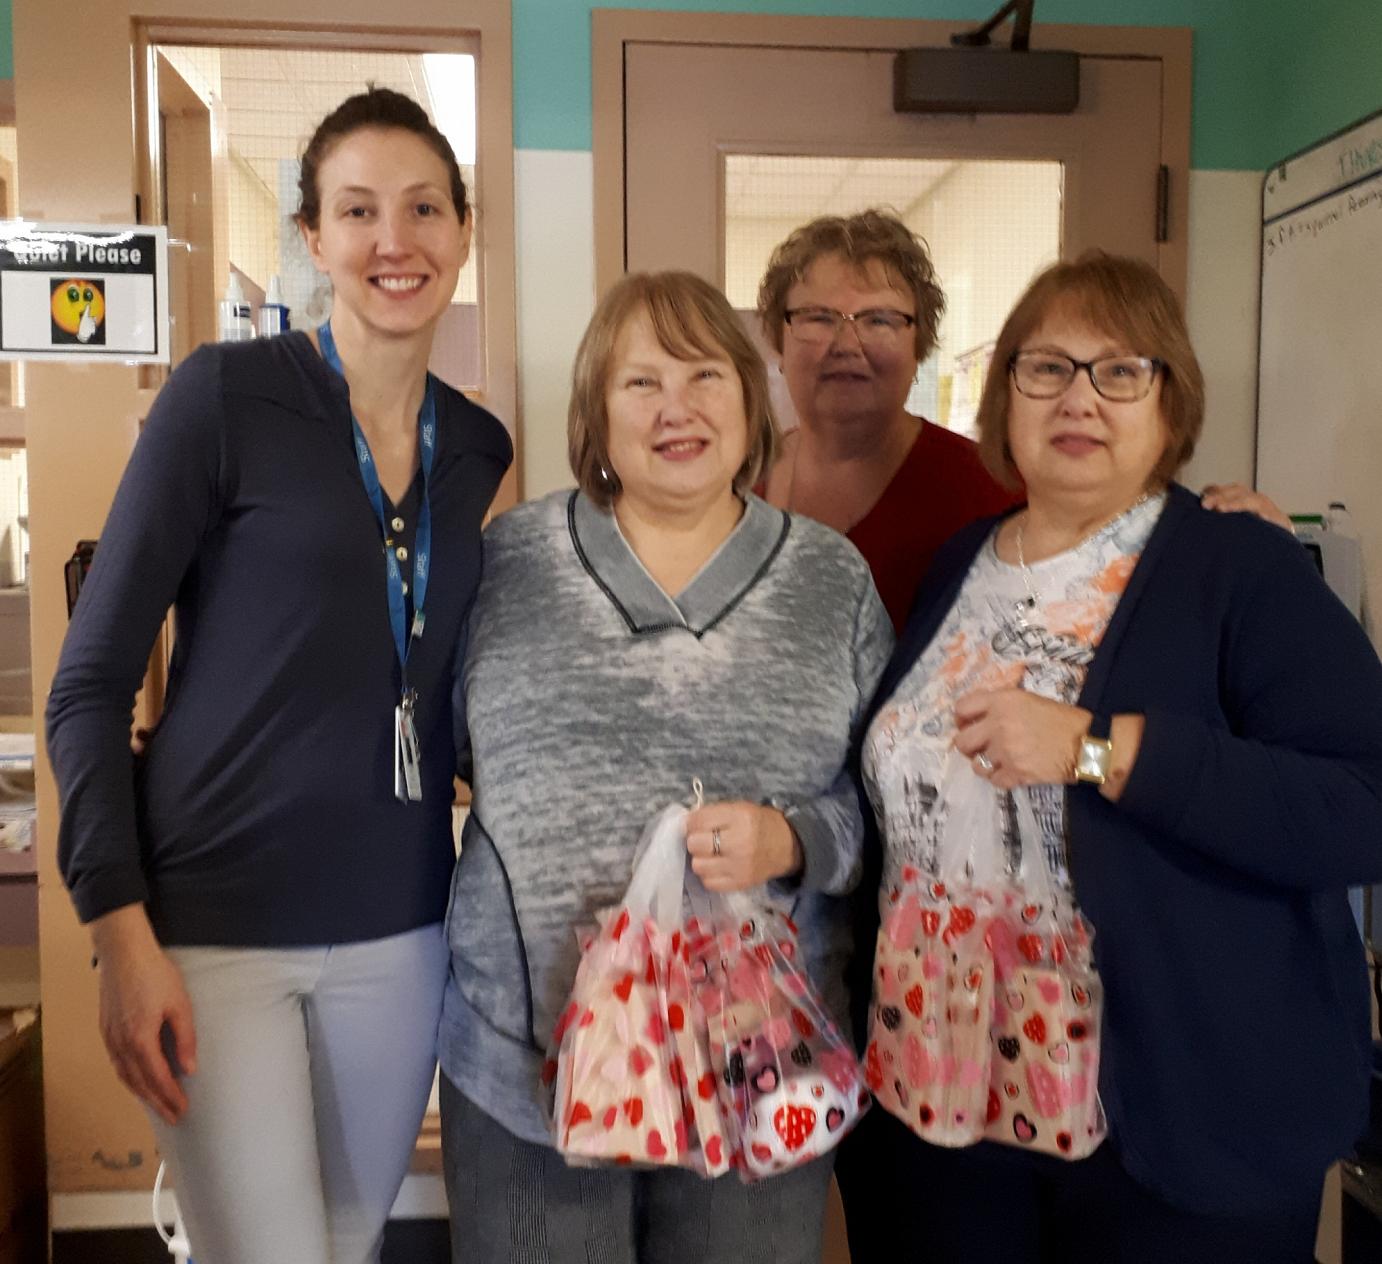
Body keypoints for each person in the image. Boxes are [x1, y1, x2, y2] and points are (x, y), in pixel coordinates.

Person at [45, 88, 512, 1264]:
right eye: (357, 211)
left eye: (421, 208)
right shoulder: (224, 396)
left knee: (346, 1243)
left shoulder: (479, 446)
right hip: (212, 928)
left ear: (463, 227)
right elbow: (89, 683)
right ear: (314, 236)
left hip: (402, 922)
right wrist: (118, 932)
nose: (392, 241)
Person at [854, 250, 1382, 1262]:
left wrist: (1100, 751)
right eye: (1044, 367)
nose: (1078, 397)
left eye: (1118, 370)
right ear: (1002, 393)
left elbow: (1360, 802)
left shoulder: (1238, 565)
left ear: (1168, 400)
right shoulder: (961, 561)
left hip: (1168, 1113)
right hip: (943, 1095)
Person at [436, 271, 894, 1263]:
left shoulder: (830, 583)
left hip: (758, 1070)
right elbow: (430, 756)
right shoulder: (504, 566)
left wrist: (793, 836)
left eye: (703, 375)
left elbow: (894, 808)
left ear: (749, 398)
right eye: (640, 383)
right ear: (595, 416)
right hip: (527, 1072)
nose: (675, 407)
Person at [755, 210, 1290, 632]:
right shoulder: (734, 481)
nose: (847, 344)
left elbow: (1115, 535)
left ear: (921, 345)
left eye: (880, 320)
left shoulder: (990, 490)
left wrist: (1242, 545)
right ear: (778, 339)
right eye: (817, 317)